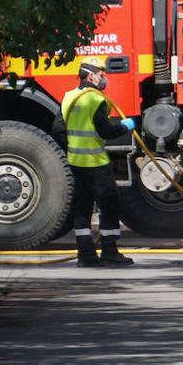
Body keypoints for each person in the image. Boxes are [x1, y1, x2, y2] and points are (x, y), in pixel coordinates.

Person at [61, 60, 137, 267]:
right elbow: (106, 132)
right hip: (96, 163)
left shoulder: (68, 97)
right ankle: (110, 252)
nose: (104, 79)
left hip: (75, 162)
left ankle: (85, 255)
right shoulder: (96, 100)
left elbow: (59, 128)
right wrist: (125, 126)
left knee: (82, 209)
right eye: (101, 74)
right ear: (90, 76)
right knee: (109, 206)